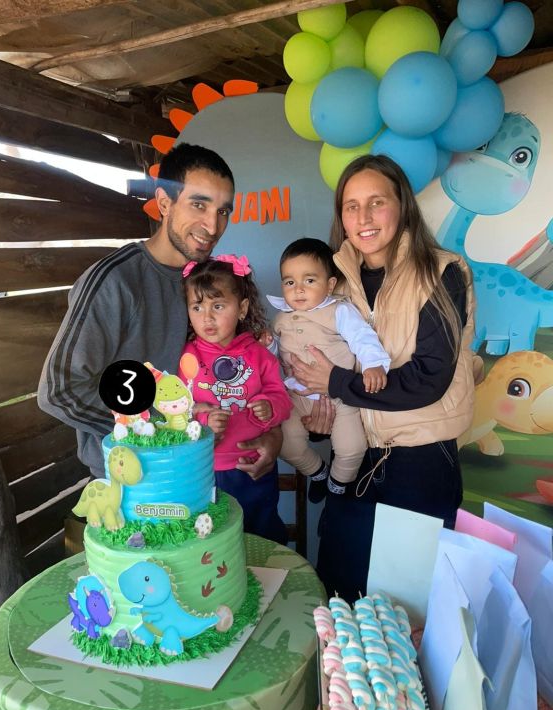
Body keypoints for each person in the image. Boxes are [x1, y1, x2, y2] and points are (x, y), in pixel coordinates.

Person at [37, 143, 282, 481]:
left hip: (204, 472)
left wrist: (274, 435)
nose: (213, 226)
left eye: (223, 211)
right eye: (199, 204)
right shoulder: (116, 280)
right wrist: (165, 425)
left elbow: (244, 376)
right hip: (134, 483)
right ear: (165, 203)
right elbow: (60, 390)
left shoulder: (211, 281)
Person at [290, 155, 475, 601]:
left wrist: (337, 384)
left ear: (403, 204)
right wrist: (319, 419)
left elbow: (429, 377)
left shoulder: (441, 272)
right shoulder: (332, 284)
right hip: (356, 458)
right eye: (351, 206)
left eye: (377, 202)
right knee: (340, 595)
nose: (364, 218)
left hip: (420, 462)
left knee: (408, 608)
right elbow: (319, 366)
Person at [267, 237, 390, 503]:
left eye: (309, 280)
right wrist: (269, 346)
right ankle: (319, 472)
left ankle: (337, 485)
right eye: (290, 282)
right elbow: (275, 357)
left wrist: (373, 364)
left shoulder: (339, 311)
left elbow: (362, 337)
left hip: (339, 397)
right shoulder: (280, 318)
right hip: (296, 397)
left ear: (330, 284)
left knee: (352, 448)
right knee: (285, 445)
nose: (299, 289)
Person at [181, 255, 292, 543]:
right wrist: (203, 419)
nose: (207, 317)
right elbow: (176, 409)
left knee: (261, 537)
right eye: (197, 307)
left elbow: (282, 399)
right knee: (212, 543)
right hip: (203, 471)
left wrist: (269, 407)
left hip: (251, 468)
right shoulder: (185, 357)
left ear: (242, 308)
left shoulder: (259, 355)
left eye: (218, 306)